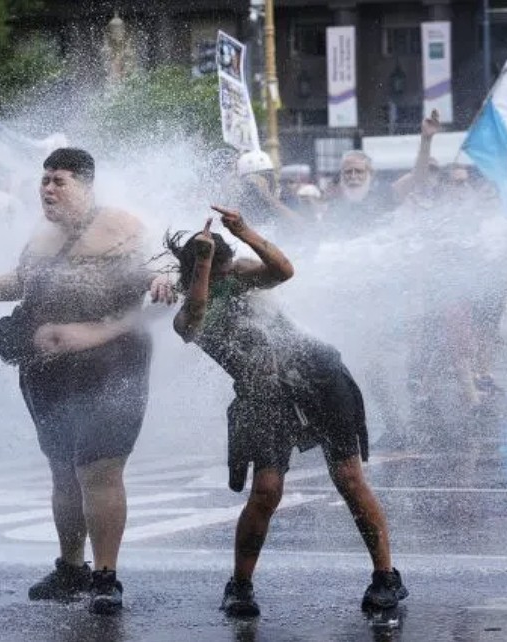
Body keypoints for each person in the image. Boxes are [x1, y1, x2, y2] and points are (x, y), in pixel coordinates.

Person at [0, 148, 173, 614]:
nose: (47, 188)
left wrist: (160, 281)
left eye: (58, 181)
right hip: (46, 368)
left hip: (112, 364)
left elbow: (160, 273)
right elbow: (26, 281)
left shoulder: (121, 227)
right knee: (63, 468)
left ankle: (106, 576)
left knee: (99, 468)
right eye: (44, 180)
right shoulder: (42, 233)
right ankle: (71, 570)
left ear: (85, 184)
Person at [166, 207, 408, 618]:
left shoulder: (242, 276)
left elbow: (283, 269)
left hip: (320, 377)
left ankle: (387, 577)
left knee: (349, 478)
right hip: (263, 397)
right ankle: (240, 586)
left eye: (225, 269)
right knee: (266, 491)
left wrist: (243, 231)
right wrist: (205, 263)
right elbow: (196, 314)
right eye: (213, 271)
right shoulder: (189, 313)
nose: (226, 276)